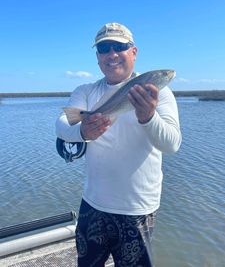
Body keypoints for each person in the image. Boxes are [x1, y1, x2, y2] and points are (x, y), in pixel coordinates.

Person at [56, 22, 182, 266]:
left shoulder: (158, 92)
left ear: (133, 52)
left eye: (119, 46)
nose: (112, 54)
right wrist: (82, 130)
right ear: (98, 57)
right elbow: (62, 124)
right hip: (93, 204)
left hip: (138, 209)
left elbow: (172, 144)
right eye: (104, 48)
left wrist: (148, 116)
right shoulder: (86, 91)